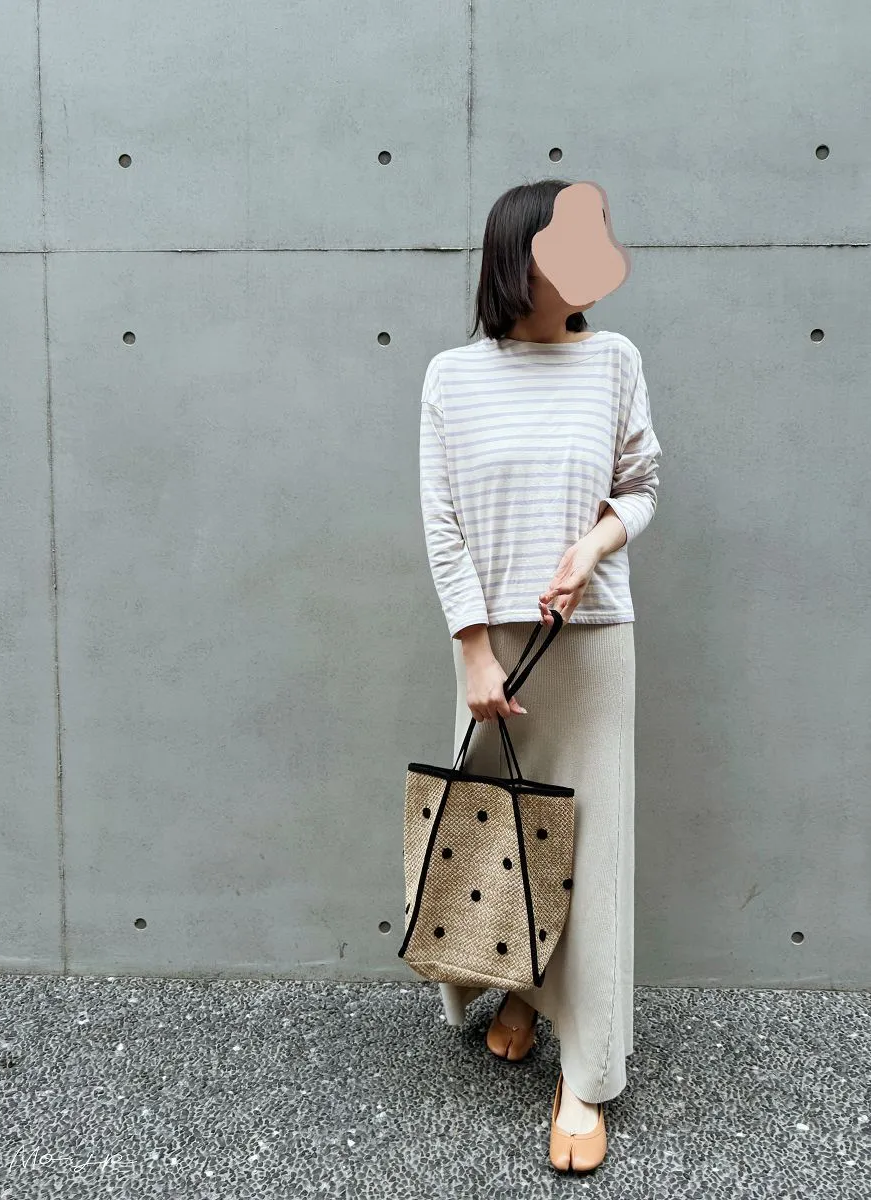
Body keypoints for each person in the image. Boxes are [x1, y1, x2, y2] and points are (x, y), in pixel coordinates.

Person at [417, 179, 662, 1172]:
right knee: (505, 837)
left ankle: (586, 1075)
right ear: (519, 257)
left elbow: (640, 487)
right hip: (491, 648)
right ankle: (517, 990)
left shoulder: (615, 361)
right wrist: (472, 650)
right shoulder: (451, 376)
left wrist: (592, 546)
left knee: (589, 854)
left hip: (591, 643)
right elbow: (441, 523)